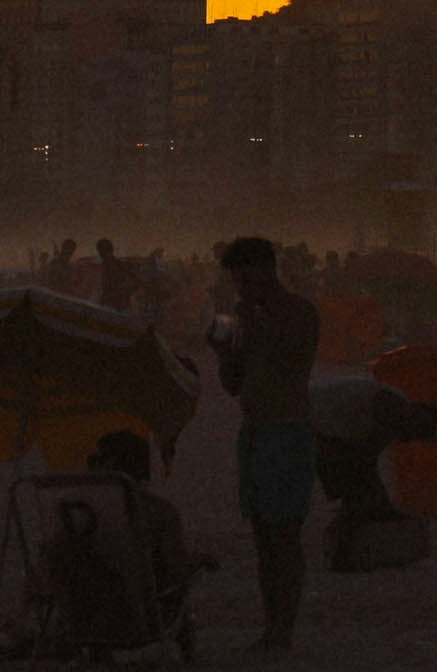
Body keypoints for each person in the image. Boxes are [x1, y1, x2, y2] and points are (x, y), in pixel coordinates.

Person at [210, 234, 320, 655]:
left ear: (265, 271)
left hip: (287, 433)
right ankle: (271, 627)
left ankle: (283, 630)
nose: (241, 289)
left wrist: (256, 325)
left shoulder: (299, 312)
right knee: (263, 538)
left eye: (245, 279)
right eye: (236, 283)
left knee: (284, 537)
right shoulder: (248, 318)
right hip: (254, 433)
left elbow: (292, 363)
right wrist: (223, 353)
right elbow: (235, 384)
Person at [307, 378, 437, 569]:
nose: (406, 440)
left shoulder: (395, 406)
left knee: (359, 492)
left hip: (323, 417)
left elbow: (367, 459)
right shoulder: (388, 414)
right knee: (355, 495)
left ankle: (350, 548)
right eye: (409, 436)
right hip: (319, 423)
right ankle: (345, 555)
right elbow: (365, 460)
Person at [88, 430, 210, 626]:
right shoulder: (159, 512)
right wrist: (198, 561)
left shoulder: (79, 514)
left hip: (88, 619)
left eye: (97, 460)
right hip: (143, 619)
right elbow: (176, 567)